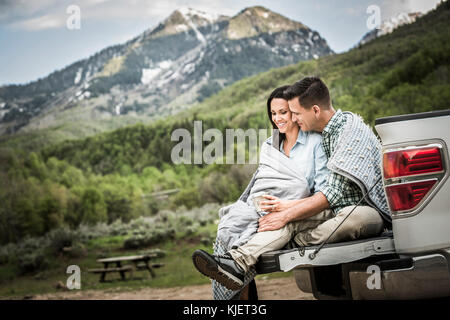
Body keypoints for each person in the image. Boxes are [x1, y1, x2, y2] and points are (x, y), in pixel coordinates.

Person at [193, 77, 390, 292]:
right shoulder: (313, 136)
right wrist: (279, 210)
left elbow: (331, 193)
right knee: (283, 222)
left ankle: (292, 242)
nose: (290, 118)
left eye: (293, 112)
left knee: (352, 219)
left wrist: (286, 209)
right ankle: (236, 263)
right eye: (275, 113)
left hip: (355, 211)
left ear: (314, 110)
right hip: (327, 211)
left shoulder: (343, 132)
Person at [192, 85, 330, 294]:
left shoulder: (315, 142)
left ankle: (235, 267)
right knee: (231, 225)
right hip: (263, 208)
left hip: (298, 209)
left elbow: (321, 191)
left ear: (294, 111)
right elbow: (265, 179)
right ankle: (233, 280)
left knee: (267, 227)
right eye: (273, 113)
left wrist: (286, 207)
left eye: (283, 112)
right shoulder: (271, 144)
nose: (277, 118)